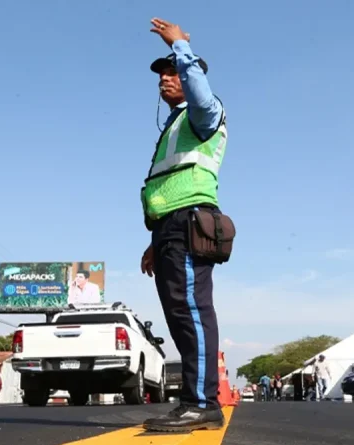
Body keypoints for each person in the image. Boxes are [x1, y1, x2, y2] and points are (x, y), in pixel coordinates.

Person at [139, 17, 229, 433]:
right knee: (179, 315)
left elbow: (201, 95)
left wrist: (181, 48)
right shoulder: (177, 124)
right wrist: (156, 238)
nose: (166, 78)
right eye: (163, 74)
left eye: (173, 72)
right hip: (169, 229)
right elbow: (168, 182)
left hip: (189, 224)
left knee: (192, 312)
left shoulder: (204, 114)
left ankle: (202, 403)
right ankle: (193, 400)